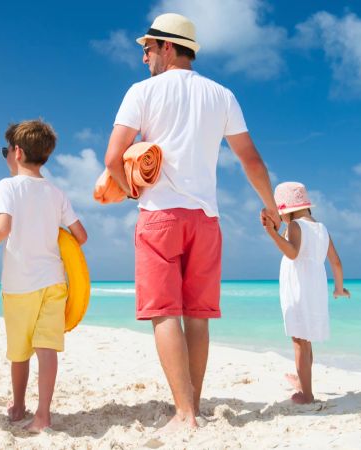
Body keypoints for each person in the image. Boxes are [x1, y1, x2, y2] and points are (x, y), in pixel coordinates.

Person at [103, 13, 279, 431]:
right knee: (197, 315)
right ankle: (192, 405)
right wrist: (270, 205)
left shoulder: (141, 92)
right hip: (207, 219)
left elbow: (113, 158)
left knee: (165, 314)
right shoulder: (222, 95)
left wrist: (131, 189)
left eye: (147, 48)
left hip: (159, 216)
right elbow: (250, 159)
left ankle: (183, 413)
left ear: (167, 47)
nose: (144, 57)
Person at [0, 119, 88, 433]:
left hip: (20, 284)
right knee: (47, 348)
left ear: (18, 152)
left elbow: (2, 229)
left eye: (5, 151)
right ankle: (42, 415)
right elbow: (80, 235)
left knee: (20, 352)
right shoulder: (56, 193)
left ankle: (18, 406)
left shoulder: (8, 186)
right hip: (54, 282)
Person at [261, 182, 350, 404]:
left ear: (286, 209)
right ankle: (303, 381)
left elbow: (292, 253)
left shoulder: (295, 227)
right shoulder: (322, 229)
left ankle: (307, 394)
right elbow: (336, 262)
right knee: (305, 338)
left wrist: (272, 233)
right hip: (316, 288)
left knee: (299, 340)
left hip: (299, 287)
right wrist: (338, 288)